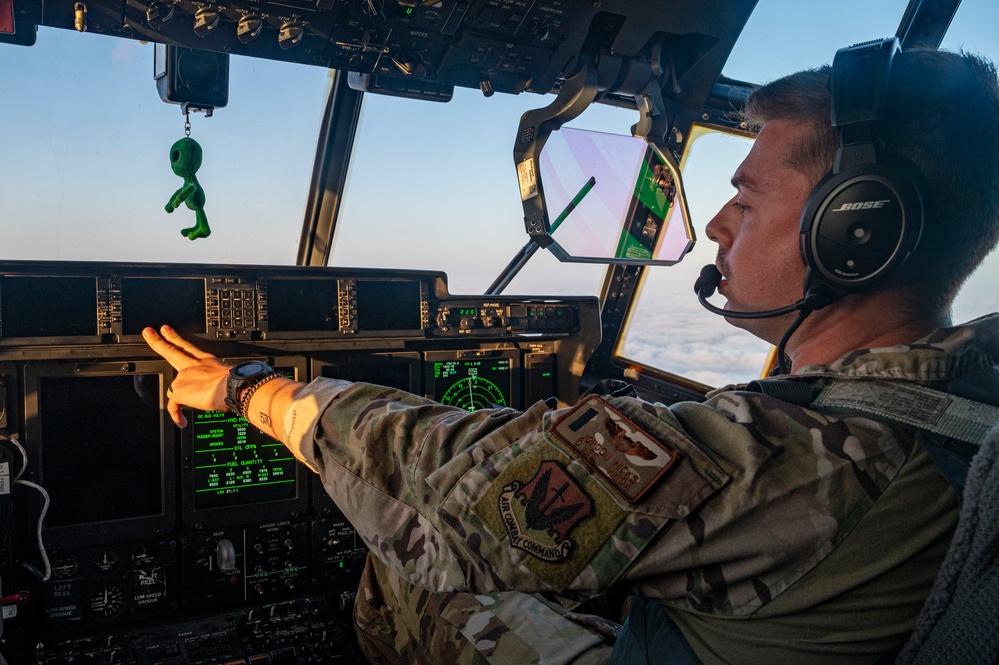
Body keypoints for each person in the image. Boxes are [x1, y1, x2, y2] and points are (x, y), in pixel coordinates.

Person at [144, 45, 999, 665]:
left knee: (422, 572)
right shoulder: (977, 404)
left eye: (745, 193)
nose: (716, 226)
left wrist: (248, 389)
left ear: (855, 229)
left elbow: (447, 494)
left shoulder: (785, 454)